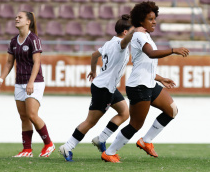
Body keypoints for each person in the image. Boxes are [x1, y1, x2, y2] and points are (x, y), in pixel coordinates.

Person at [101, 1, 190, 163]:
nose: (154, 21)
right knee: (135, 125)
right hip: (139, 86)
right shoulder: (140, 35)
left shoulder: (145, 34)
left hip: (149, 83)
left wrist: (161, 78)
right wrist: (173, 50)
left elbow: (143, 64)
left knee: (172, 110)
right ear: (141, 20)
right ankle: (110, 152)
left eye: (155, 18)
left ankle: (146, 141)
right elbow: (150, 53)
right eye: (150, 19)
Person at [59, 15, 146, 162]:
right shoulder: (119, 43)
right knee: (90, 122)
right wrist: (137, 28)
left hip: (108, 87)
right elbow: (125, 41)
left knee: (124, 112)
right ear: (125, 32)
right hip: (104, 89)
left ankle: (101, 139)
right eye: (131, 31)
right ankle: (67, 147)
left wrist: (93, 71)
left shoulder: (109, 42)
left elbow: (94, 55)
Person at [0, 11, 55, 157]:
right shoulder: (14, 41)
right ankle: (27, 149)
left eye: (20, 17)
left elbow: (37, 62)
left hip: (34, 82)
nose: (16, 19)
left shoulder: (33, 39)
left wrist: (31, 82)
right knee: (23, 117)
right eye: (16, 17)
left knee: (32, 114)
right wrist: (0, 79)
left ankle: (49, 144)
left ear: (28, 22)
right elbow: (9, 63)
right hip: (19, 82)